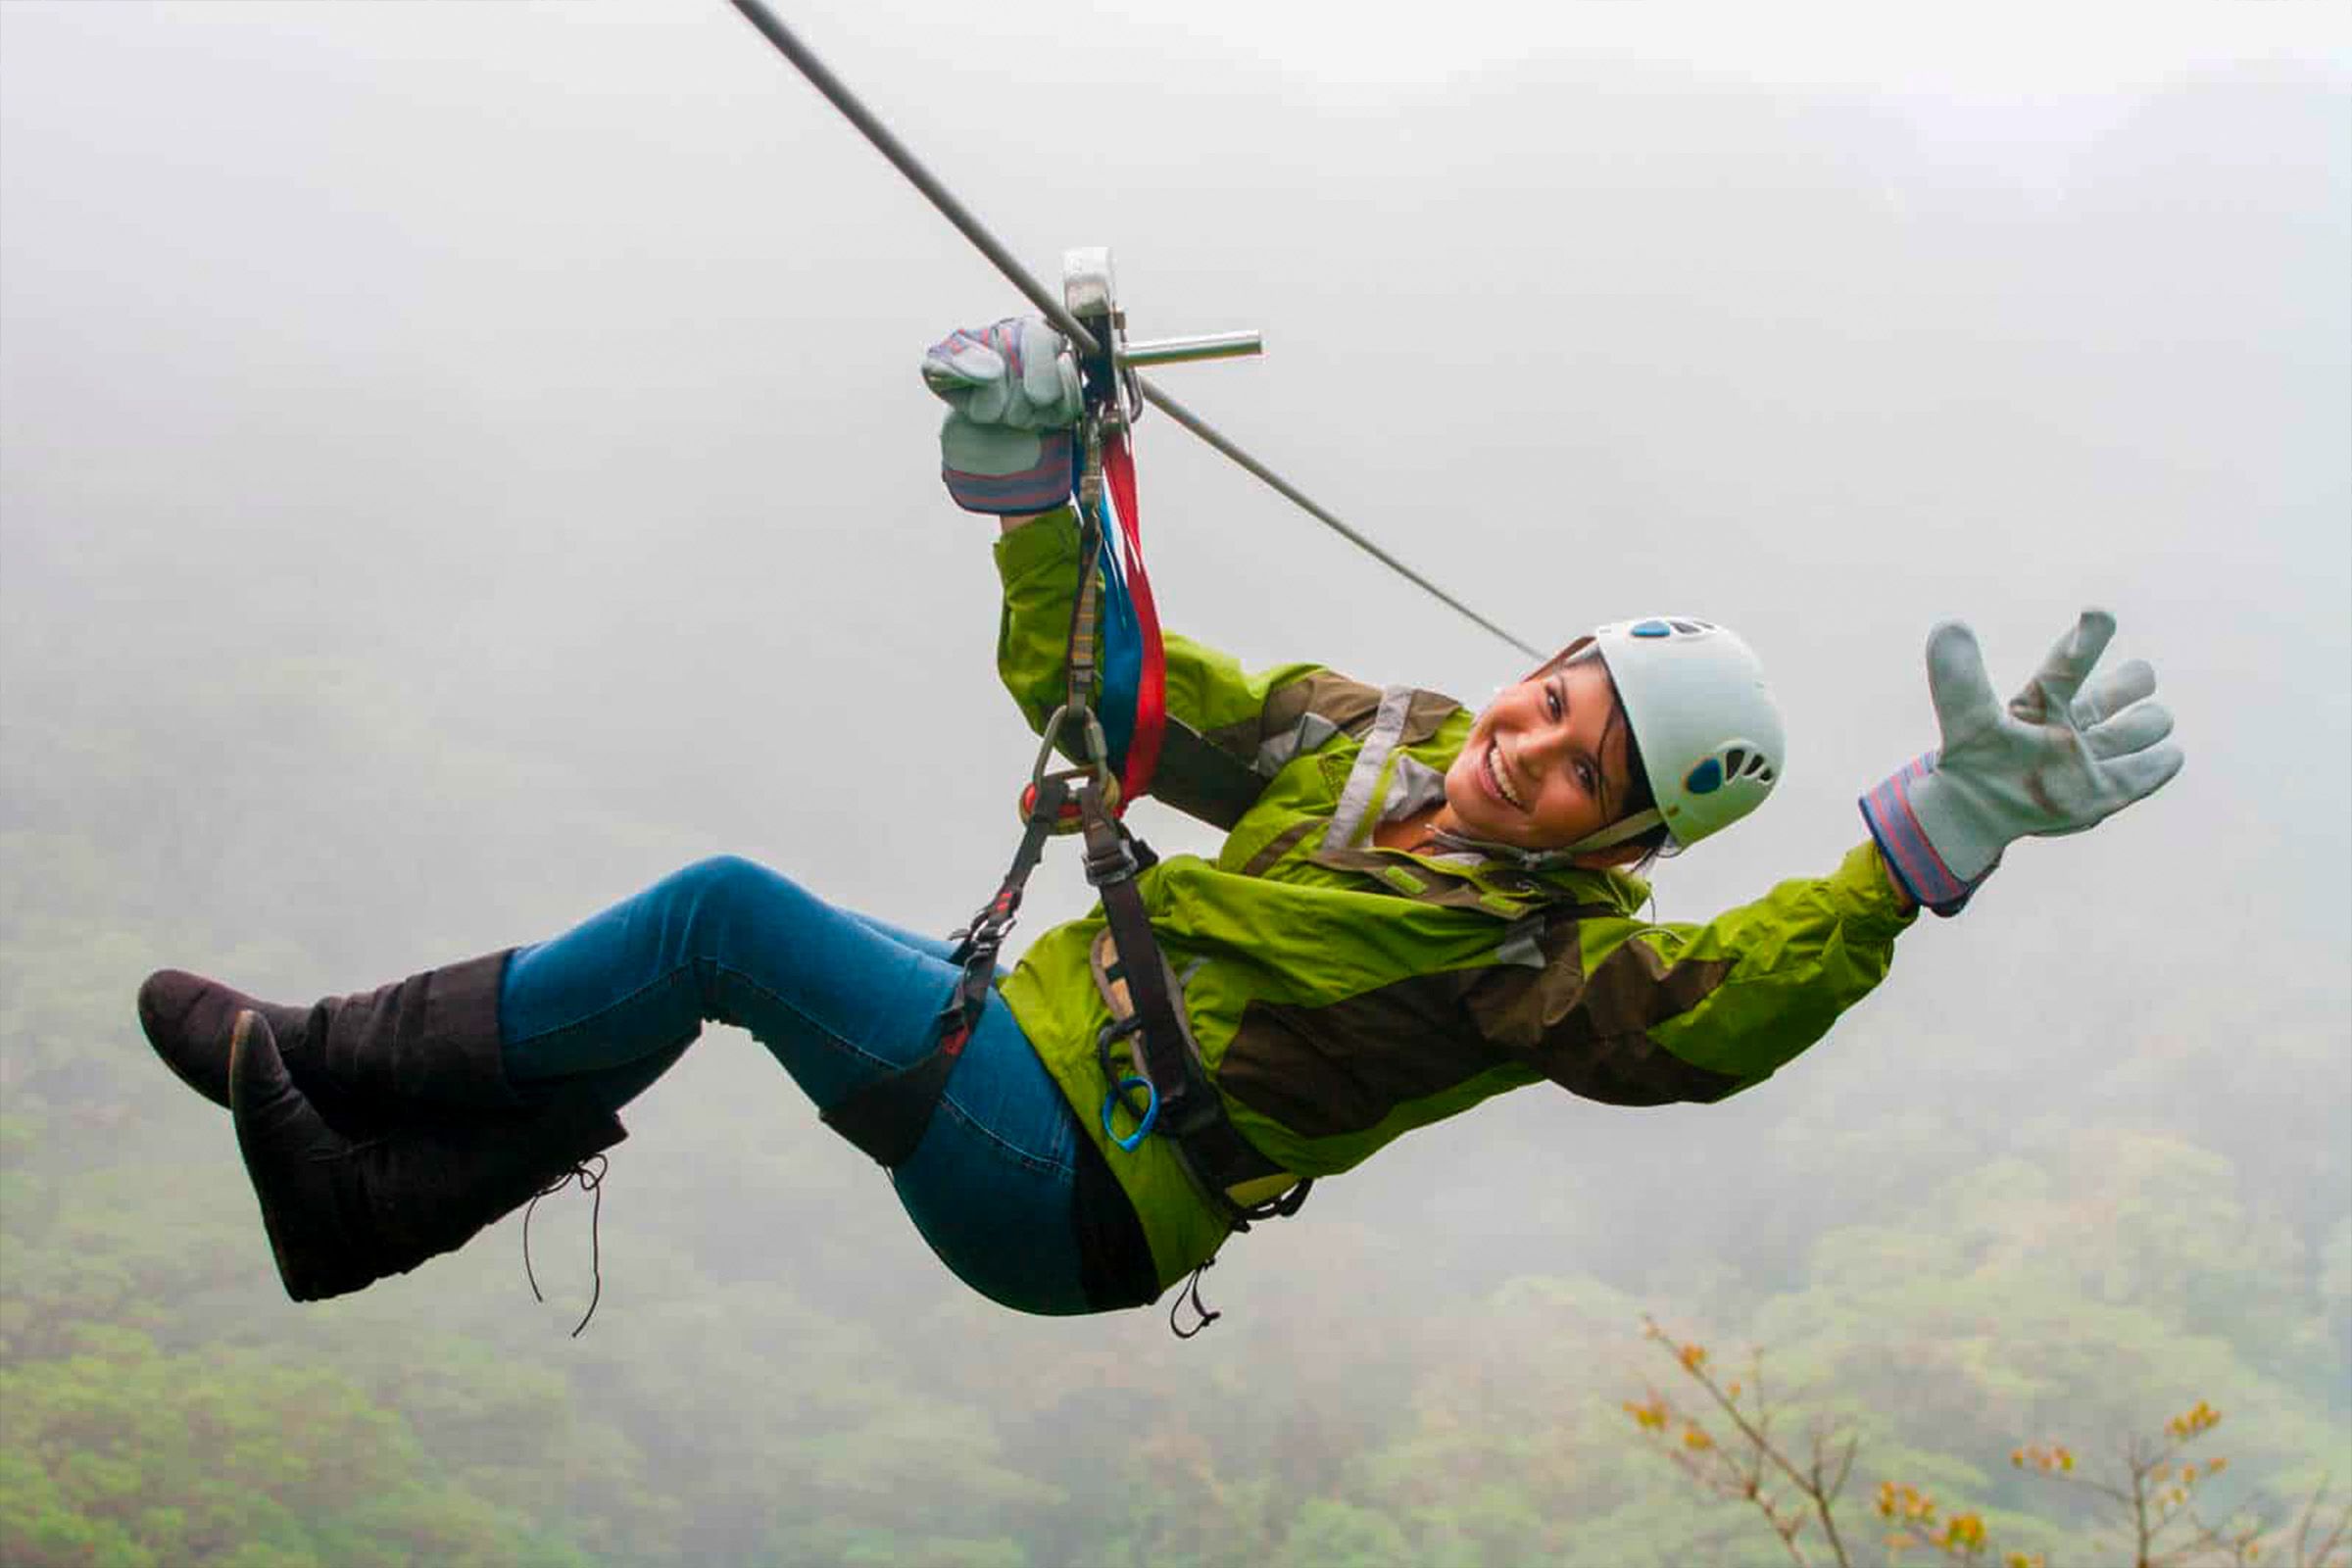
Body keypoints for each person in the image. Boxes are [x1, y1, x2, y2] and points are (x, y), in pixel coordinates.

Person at [136, 317, 2183, 1323]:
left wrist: (1932, 843)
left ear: (1619, 846)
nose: (1534, 753)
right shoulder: (1356, 737)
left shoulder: (1543, 965)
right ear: (1529, 664)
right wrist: (1047, 499)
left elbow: (1730, 1009)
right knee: (713, 959)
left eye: (1584, 774)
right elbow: (1120, 698)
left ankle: (315, 1073)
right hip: (1033, 1079)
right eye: (1553, 699)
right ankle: (365, 1184)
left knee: (724, 920)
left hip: (1095, 1185)